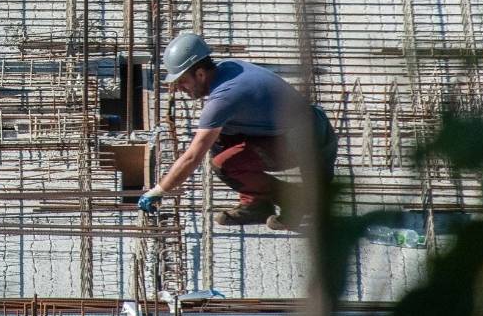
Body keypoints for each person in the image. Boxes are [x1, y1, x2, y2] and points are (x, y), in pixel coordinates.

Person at [137, 32, 338, 230]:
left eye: (182, 81)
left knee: (222, 164)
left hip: (309, 142)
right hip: (307, 129)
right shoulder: (228, 67)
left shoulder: (223, 99)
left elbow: (192, 157)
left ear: (200, 73)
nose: (180, 88)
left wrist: (159, 190)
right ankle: (256, 204)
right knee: (219, 139)